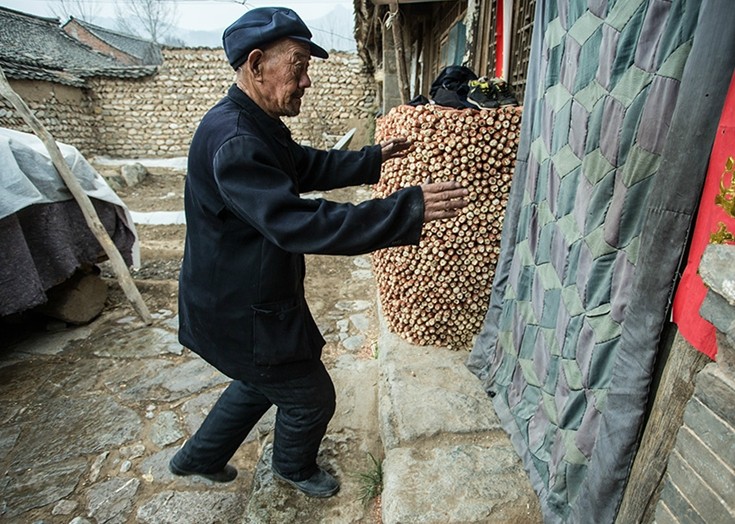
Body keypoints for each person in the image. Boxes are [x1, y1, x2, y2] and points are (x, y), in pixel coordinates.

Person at [169, 6, 469, 498]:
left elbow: (301, 166)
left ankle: (198, 457)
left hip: (245, 296)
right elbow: (299, 223)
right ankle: (292, 465)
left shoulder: (254, 124)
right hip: (239, 308)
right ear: (257, 62)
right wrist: (405, 210)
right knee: (310, 397)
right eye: (298, 65)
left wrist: (372, 158)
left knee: (262, 380)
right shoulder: (236, 141)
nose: (306, 81)